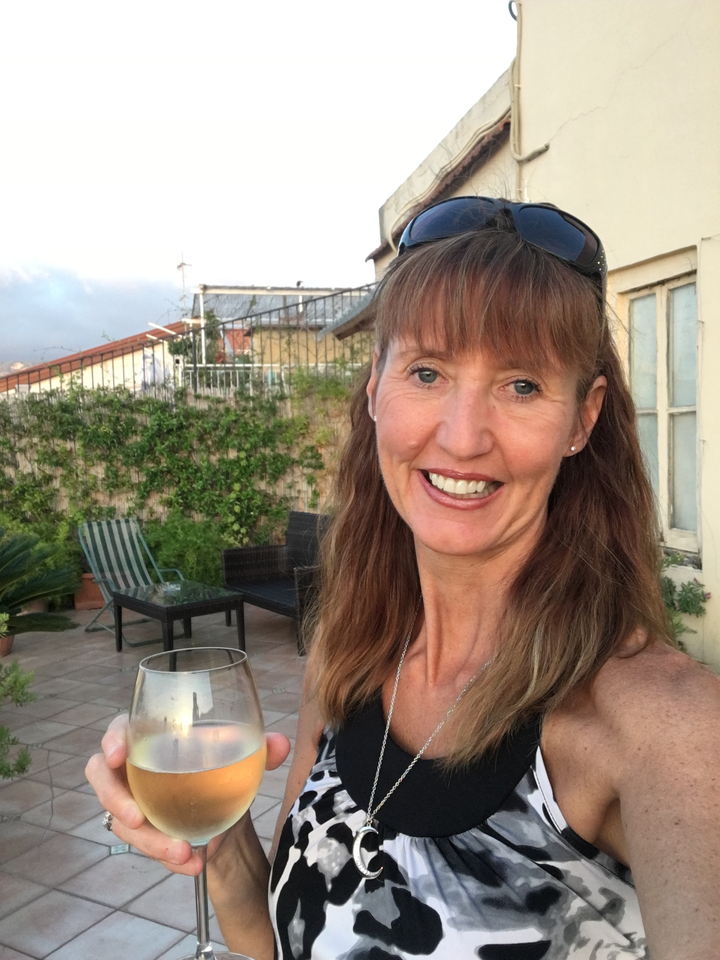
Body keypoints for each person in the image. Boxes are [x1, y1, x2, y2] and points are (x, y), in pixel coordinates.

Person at [87, 197, 720, 960]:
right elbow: (279, 942)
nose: (461, 436)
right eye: (426, 371)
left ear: (582, 419)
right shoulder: (350, 663)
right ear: (374, 387)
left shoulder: (666, 727)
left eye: (522, 386)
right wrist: (216, 842)